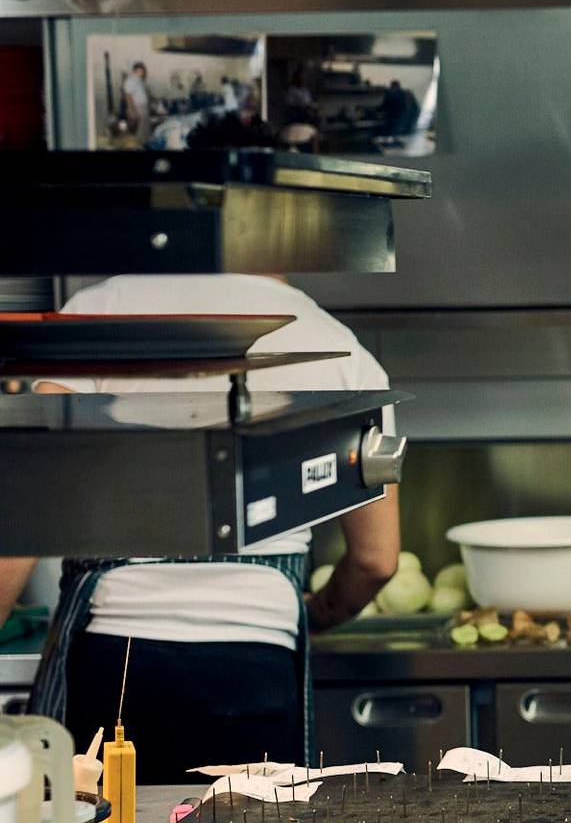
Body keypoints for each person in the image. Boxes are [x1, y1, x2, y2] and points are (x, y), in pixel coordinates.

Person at [0, 273, 400, 780]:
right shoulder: (338, 348)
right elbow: (376, 560)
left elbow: (24, 507)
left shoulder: (97, 313)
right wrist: (317, 613)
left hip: (116, 660)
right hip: (256, 662)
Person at [119, 61, 151, 145]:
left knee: (144, 127)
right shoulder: (131, 80)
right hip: (137, 106)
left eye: (143, 71)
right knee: (139, 128)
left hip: (142, 106)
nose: (142, 73)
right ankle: (139, 144)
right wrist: (131, 109)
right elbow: (128, 95)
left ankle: (144, 142)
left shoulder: (139, 80)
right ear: (134, 70)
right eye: (140, 71)